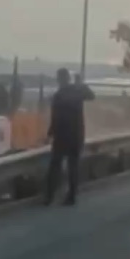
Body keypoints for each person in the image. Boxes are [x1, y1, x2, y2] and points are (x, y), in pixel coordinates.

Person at [44, 68, 94, 206]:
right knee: (73, 166)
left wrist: (49, 135)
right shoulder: (77, 91)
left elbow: (55, 119)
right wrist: (81, 84)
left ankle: (49, 196)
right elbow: (91, 96)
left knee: (55, 166)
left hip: (62, 136)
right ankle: (71, 196)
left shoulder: (58, 95)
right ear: (68, 78)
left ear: (59, 79)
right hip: (76, 135)